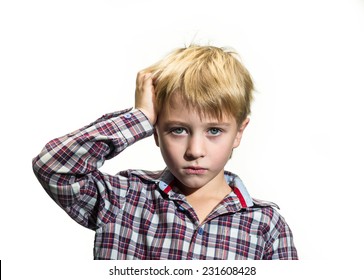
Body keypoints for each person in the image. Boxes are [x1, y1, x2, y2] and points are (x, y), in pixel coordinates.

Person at [32, 45, 298, 260]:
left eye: (214, 131)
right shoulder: (122, 199)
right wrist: (141, 117)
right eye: (178, 130)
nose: (195, 151)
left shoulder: (266, 226)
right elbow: (53, 166)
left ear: (239, 132)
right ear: (156, 132)